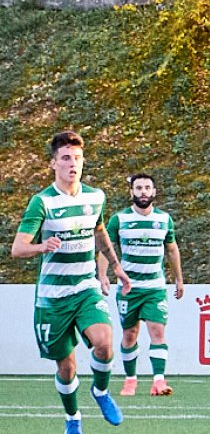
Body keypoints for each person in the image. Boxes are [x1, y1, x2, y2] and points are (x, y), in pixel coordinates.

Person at [11, 130, 132, 434]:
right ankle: (73, 418)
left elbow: (100, 231)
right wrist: (42, 246)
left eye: (77, 158)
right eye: (65, 158)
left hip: (85, 288)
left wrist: (116, 267)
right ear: (53, 164)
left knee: (104, 343)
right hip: (52, 298)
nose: (72, 164)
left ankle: (101, 392)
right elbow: (18, 248)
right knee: (67, 368)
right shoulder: (42, 202)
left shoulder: (96, 196)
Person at [108, 173, 184, 397]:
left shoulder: (164, 219)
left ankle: (159, 381)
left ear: (154, 192)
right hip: (129, 288)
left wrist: (179, 278)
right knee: (130, 333)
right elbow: (107, 248)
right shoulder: (119, 219)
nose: (143, 191)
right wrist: (102, 275)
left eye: (147, 188)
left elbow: (171, 249)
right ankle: (130, 380)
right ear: (131, 192)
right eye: (138, 188)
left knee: (158, 332)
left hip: (155, 288)